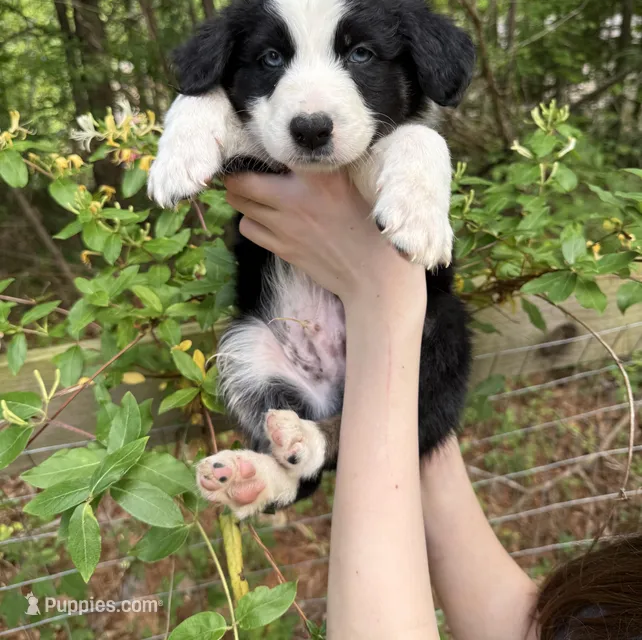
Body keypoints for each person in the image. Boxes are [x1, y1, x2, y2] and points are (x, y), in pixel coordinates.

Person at [224, 169, 642, 640]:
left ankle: (296, 462)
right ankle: (302, 458)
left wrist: (382, 300)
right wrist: (403, 367)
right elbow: (528, 627)